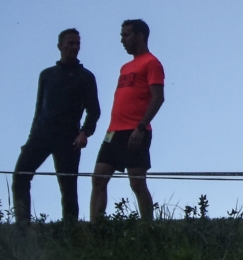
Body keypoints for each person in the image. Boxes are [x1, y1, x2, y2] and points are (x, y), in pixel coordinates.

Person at [12, 29, 102, 225]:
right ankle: (22, 226)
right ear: (60, 46)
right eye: (70, 43)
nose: (74, 47)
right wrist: (31, 138)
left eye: (77, 43)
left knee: (68, 186)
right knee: (20, 176)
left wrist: (84, 133)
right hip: (41, 134)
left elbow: (94, 111)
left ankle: (70, 230)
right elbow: (39, 109)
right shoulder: (47, 75)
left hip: (69, 137)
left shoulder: (85, 77)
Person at [91, 19, 162, 221]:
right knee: (98, 179)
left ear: (139, 36)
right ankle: (95, 228)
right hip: (114, 131)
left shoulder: (152, 63)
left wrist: (140, 128)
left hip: (136, 130)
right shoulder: (125, 67)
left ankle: (148, 227)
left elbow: (158, 97)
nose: (122, 40)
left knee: (137, 183)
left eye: (126, 35)